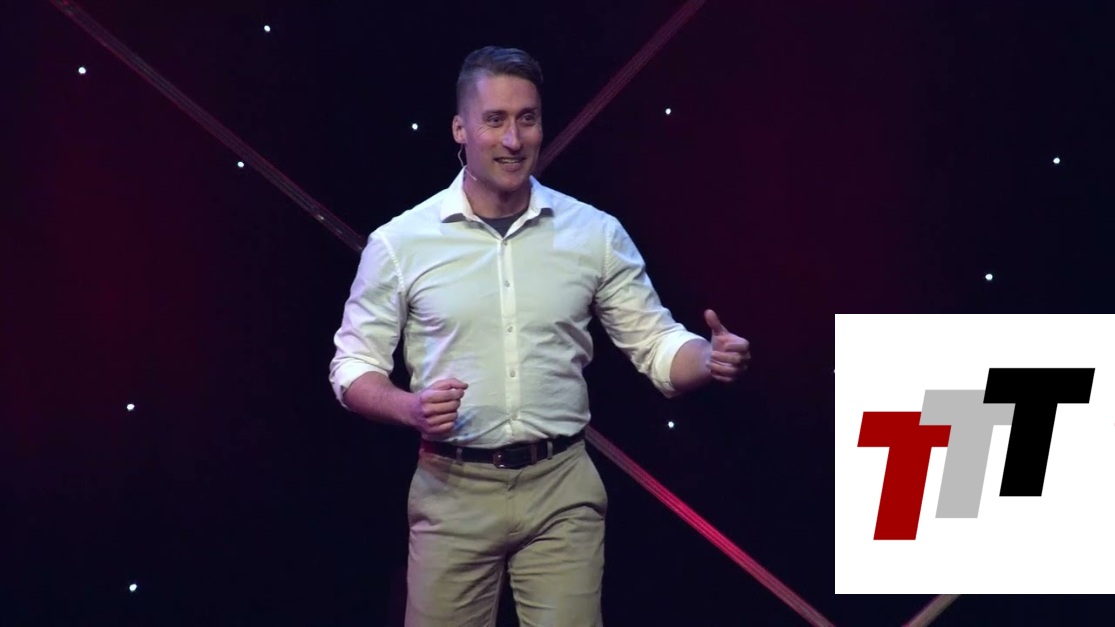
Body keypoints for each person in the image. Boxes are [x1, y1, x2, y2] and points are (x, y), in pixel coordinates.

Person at [329, 45, 751, 627]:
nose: (513, 139)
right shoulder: (400, 243)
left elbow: (657, 344)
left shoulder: (593, 233)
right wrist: (410, 408)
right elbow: (352, 367)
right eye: (494, 120)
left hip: (561, 488)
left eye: (526, 118)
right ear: (460, 129)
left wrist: (708, 358)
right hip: (452, 490)